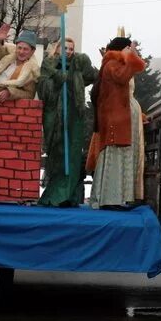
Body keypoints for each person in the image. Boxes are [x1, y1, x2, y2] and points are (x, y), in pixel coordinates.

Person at [86, 36, 146, 209]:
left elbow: (125, 94)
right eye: (128, 48)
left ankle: (117, 198)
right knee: (115, 156)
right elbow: (122, 78)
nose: (131, 51)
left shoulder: (115, 64)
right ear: (122, 49)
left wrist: (139, 115)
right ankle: (110, 199)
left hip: (122, 116)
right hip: (116, 118)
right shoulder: (112, 64)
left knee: (122, 156)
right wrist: (132, 58)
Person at [37, 37, 98, 207]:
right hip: (55, 115)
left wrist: (80, 68)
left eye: (71, 49)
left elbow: (92, 76)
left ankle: (69, 194)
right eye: (65, 48)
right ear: (58, 48)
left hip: (74, 114)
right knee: (57, 152)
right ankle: (55, 193)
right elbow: (42, 89)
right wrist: (57, 77)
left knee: (72, 153)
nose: (68, 51)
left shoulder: (77, 66)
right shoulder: (48, 64)